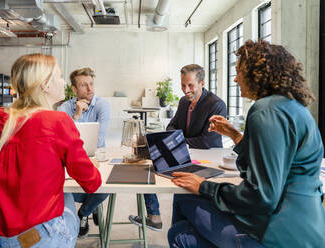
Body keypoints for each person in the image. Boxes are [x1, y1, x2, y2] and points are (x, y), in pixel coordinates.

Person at [168, 40, 325, 248]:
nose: (235, 79)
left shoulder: (265, 110)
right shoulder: (291, 106)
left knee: (180, 230)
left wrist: (204, 186)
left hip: (277, 230)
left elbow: (262, 195)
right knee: (183, 204)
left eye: (239, 72)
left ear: (256, 74)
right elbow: (270, 163)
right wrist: (236, 136)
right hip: (306, 225)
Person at [0, 53, 102, 248]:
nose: (63, 83)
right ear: (45, 85)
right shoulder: (57, 121)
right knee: (66, 199)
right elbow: (92, 183)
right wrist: (91, 165)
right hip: (31, 239)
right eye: (58, 76)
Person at [129, 64, 227, 232]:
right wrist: (175, 140)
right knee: (148, 166)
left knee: (185, 198)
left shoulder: (216, 105)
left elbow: (208, 141)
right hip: (183, 156)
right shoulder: (183, 102)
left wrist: (179, 141)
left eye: (190, 85)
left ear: (202, 83)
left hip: (207, 160)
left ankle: (177, 230)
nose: (185, 90)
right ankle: (155, 215)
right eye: (183, 85)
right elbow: (172, 126)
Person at [58, 67, 110, 237]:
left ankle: (84, 213)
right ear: (74, 89)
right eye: (84, 85)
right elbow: (62, 138)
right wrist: (77, 115)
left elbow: (99, 140)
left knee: (106, 186)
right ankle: (92, 206)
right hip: (71, 158)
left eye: (91, 84)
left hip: (96, 156)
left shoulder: (102, 105)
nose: (90, 89)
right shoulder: (65, 107)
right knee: (64, 187)